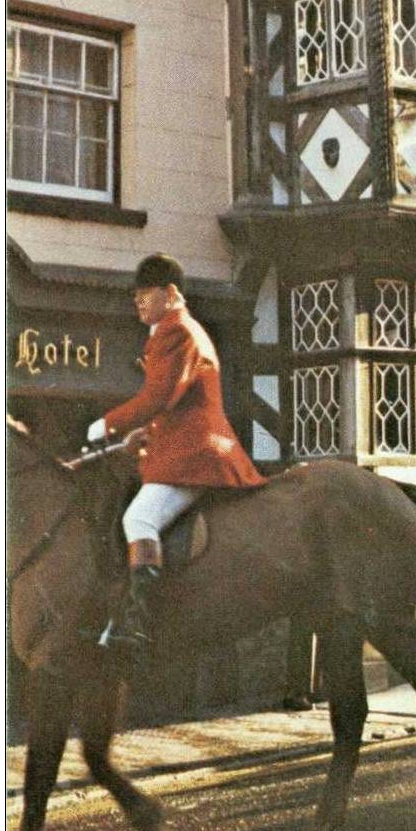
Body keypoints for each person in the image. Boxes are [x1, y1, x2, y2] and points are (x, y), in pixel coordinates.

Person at [86, 253, 265, 652]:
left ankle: (138, 623)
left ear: (169, 294)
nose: (138, 302)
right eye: (136, 296)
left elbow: (159, 397)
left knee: (139, 518)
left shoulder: (176, 330)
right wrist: (141, 437)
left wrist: (108, 425)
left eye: (145, 295)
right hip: (184, 445)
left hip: (196, 454)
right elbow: (175, 405)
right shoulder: (176, 329)